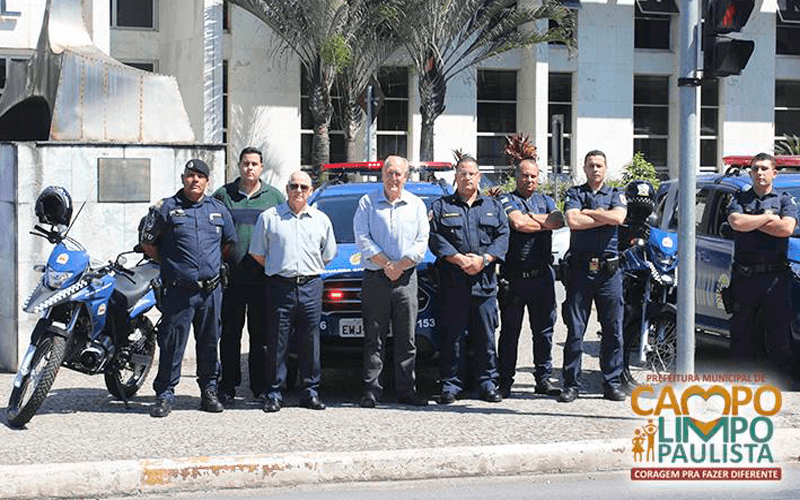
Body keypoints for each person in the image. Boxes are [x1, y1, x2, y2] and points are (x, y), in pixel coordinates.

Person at [140, 159, 236, 418]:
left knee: (208, 344)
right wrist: (174, 266)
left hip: (210, 291)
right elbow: (149, 245)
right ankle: (164, 395)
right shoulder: (166, 209)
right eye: (190, 175)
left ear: (207, 181)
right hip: (179, 291)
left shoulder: (218, 209)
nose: (195, 180)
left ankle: (208, 391)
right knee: (172, 344)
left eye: (200, 176)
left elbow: (227, 245)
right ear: (183, 179)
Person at [249, 170, 337, 412]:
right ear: (286, 189)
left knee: (311, 342)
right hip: (280, 287)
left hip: (310, 286)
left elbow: (328, 255)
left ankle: (310, 391)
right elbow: (257, 252)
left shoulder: (321, 219)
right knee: (277, 341)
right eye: (294, 186)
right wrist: (279, 268)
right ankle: (275, 392)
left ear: (310, 191)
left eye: (303, 187)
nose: (298, 191)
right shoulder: (269, 218)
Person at [429, 156, 509, 404]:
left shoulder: (494, 207)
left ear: (479, 177)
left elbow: (503, 236)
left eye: (471, 173)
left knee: (485, 336)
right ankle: (451, 385)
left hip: (484, 284)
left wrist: (484, 260)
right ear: (455, 176)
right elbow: (435, 239)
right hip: (453, 284)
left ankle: (487, 384)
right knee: (452, 337)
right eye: (462, 173)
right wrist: (459, 260)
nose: (467, 177)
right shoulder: (441, 206)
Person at [353, 155, 430, 408]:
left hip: (406, 279)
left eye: (398, 173)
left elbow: (421, 243)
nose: (393, 178)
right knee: (373, 338)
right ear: (382, 175)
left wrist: (400, 266)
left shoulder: (417, 205)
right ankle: (371, 391)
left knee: (406, 339)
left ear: (406, 177)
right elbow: (362, 239)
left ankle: (406, 391)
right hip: (376, 278)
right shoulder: (367, 203)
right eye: (389, 173)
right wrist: (388, 265)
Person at [213, 147, 285, 405]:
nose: (249, 168)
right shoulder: (224, 195)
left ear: (261, 167)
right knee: (230, 335)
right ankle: (228, 385)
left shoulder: (274, 197)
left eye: (254, 164)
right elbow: (212, 228)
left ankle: (260, 386)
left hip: (262, 280)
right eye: (245, 163)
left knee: (261, 337)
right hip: (231, 280)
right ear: (239, 166)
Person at [559, 150, 627, 403]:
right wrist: (603, 216)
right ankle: (571, 385)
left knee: (613, 330)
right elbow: (573, 220)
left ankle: (611, 383)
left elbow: (618, 217)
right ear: (584, 169)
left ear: (606, 169)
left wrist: (592, 213)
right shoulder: (575, 193)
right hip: (580, 271)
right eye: (591, 166)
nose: (595, 169)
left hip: (610, 273)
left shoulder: (616, 193)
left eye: (599, 165)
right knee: (575, 331)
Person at [726, 152, 798, 384]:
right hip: (745, 278)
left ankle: (779, 386)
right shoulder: (739, 198)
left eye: (765, 168)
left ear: (774, 173)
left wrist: (753, 222)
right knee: (741, 337)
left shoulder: (785, 200)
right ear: (750, 173)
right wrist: (768, 218)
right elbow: (736, 222)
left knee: (779, 336)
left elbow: (786, 229)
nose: (760, 173)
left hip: (776, 279)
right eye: (755, 169)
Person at [497, 158, 564, 398]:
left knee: (544, 331)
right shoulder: (506, 199)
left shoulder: (546, 199)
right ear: (517, 176)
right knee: (510, 332)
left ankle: (543, 380)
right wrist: (542, 222)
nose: (529, 180)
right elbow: (516, 223)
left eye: (533, 176)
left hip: (542, 277)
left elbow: (558, 221)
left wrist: (533, 220)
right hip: (514, 277)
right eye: (525, 175)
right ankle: (505, 381)